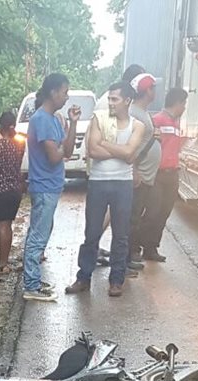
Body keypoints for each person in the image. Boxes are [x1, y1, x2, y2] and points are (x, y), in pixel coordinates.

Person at [66, 82, 144, 299]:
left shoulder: (137, 125)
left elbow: (130, 153)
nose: (110, 103)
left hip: (123, 183)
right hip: (99, 182)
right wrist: (122, 151)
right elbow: (92, 149)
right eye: (109, 98)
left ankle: (116, 280)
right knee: (91, 232)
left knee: (121, 235)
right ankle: (84, 277)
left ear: (127, 101)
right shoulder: (98, 119)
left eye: (115, 99)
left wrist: (108, 145)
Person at [22, 72, 80, 302]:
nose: (67, 97)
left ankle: (33, 280)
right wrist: (62, 148)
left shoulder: (55, 119)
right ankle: (31, 285)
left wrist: (73, 123)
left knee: (41, 234)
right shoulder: (41, 120)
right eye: (65, 92)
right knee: (37, 237)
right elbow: (56, 157)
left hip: (51, 186)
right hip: (43, 186)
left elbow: (67, 149)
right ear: (53, 92)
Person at [139, 87, 188, 262]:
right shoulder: (156, 121)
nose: (184, 108)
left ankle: (151, 247)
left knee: (164, 213)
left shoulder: (176, 124)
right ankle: (136, 245)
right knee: (152, 212)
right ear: (178, 103)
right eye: (184, 104)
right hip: (158, 175)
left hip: (172, 174)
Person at [127, 71, 161, 272]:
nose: (155, 91)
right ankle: (127, 256)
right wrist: (134, 170)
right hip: (138, 175)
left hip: (146, 175)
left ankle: (131, 253)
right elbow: (131, 145)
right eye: (153, 88)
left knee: (138, 216)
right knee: (131, 218)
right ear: (147, 90)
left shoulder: (143, 112)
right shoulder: (134, 113)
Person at [0, 110, 26, 273]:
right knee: (9, 225)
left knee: (2, 226)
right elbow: (18, 164)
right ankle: (5, 259)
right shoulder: (20, 144)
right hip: (15, 189)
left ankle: (2, 263)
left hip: (1, 189)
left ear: (1, 127)